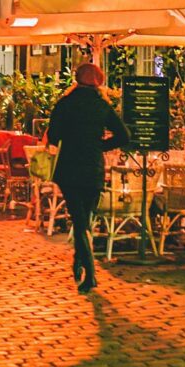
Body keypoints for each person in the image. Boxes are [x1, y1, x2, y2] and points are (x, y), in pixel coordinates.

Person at [47, 63, 130, 294]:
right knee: (87, 220)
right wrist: (101, 145)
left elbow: (53, 136)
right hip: (94, 168)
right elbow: (124, 135)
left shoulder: (66, 103)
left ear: (77, 78)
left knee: (79, 221)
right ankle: (79, 259)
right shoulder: (101, 105)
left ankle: (90, 274)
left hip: (70, 168)